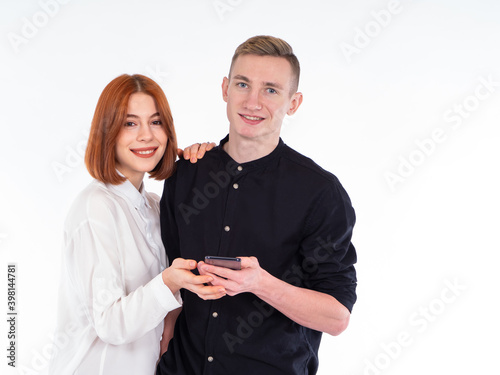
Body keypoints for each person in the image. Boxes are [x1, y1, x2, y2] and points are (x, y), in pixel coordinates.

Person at [157, 35, 357, 375]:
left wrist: (260, 283)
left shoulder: (320, 192)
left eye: (271, 90)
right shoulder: (186, 174)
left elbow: (337, 317)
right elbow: (168, 271)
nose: (252, 102)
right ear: (225, 89)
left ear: (293, 103)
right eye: (243, 84)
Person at [48, 74, 225, 375]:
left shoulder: (154, 206)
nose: (146, 135)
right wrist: (169, 282)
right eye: (130, 123)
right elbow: (110, 323)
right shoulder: (96, 207)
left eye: (156, 122)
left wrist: (205, 165)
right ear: (107, 132)